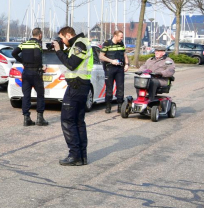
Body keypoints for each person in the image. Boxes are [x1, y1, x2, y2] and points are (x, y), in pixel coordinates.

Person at [53, 26, 92, 166]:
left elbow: (71, 64)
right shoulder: (78, 43)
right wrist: (62, 49)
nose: (62, 41)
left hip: (76, 87)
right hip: (80, 86)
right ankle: (81, 156)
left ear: (68, 35)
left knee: (68, 121)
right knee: (78, 121)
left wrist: (58, 51)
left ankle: (75, 155)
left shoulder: (80, 44)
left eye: (62, 38)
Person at [12, 27, 49, 127]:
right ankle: (40, 119)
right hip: (36, 73)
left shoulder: (24, 43)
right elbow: (37, 56)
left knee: (26, 96)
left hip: (26, 72)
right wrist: (41, 67)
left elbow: (14, 53)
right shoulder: (37, 44)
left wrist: (23, 61)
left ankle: (26, 118)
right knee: (40, 95)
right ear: (40, 35)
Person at [100, 29, 129, 113]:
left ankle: (120, 106)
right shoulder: (107, 43)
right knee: (109, 88)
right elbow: (101, 56)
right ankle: (108, 106)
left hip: (120, 68)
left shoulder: (121, 44)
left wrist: (127, 64)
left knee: (120, 87)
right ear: (115, 36)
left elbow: (124, 54)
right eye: (120, 37)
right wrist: (111, 61)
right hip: (110, 68)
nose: (121, 39)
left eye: (122, 37)